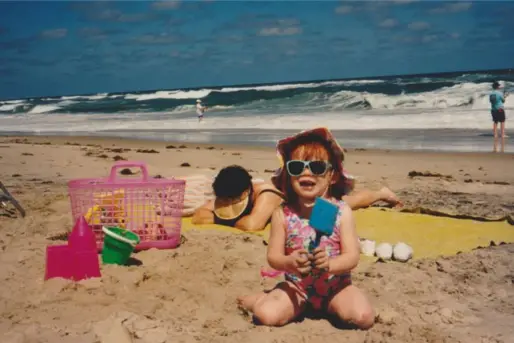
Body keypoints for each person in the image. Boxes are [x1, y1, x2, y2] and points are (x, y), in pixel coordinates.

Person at [237, 127, 375, 329]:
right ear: (288, 175)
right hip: (297, 288)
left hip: (336, 288)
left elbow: (352, 257)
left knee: (363, 317)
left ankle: (269, 299)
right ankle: (260, 300)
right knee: (265, 315)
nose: (307, 171)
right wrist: (289, 262)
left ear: (332, 176)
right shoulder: (282, 214)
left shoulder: (341, 212)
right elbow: (273, 257)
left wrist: (329, 264)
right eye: (297, 167)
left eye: (317, 167)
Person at [191, 165, 285, 231]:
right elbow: (199, 215)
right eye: (223, 200)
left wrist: (224, 219)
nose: (226, 203)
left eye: (230, 200)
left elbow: (252, 225)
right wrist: (228, 219)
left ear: (245, 193)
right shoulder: (227, 192)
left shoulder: (267, 193)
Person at [489, 81, 507, 152]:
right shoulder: (499, 93)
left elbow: (491, 101)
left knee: (495, 122)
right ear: (497, 87)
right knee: (502, 121)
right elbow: (503, 101)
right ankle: (502, 134)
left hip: (493, 109)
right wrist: (505, 96)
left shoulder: (491, 94)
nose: (500, 86)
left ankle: (495, 134)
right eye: (499, 86)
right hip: (500, 109)